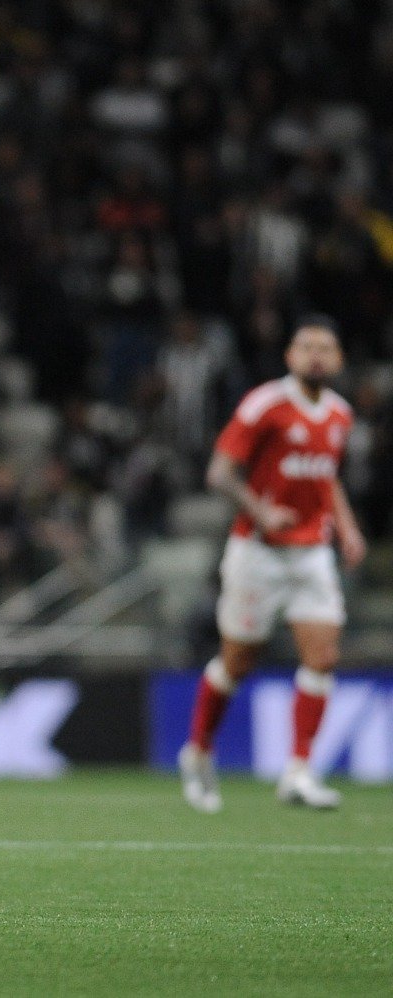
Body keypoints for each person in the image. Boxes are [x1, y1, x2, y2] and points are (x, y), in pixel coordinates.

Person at [178, 317, 364, 813]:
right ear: (289, 356)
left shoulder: (341, 415)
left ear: (339, 359)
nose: (316, 356)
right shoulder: (265, 405)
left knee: (322, 656)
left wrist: (346, 527)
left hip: (311, 552)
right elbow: (219, 472)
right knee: (238, 662)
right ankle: (197, 752)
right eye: (306, 347)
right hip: (257, 551)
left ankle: (299, 772)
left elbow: (327, 478)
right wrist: (262, 511)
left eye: (326, 347)